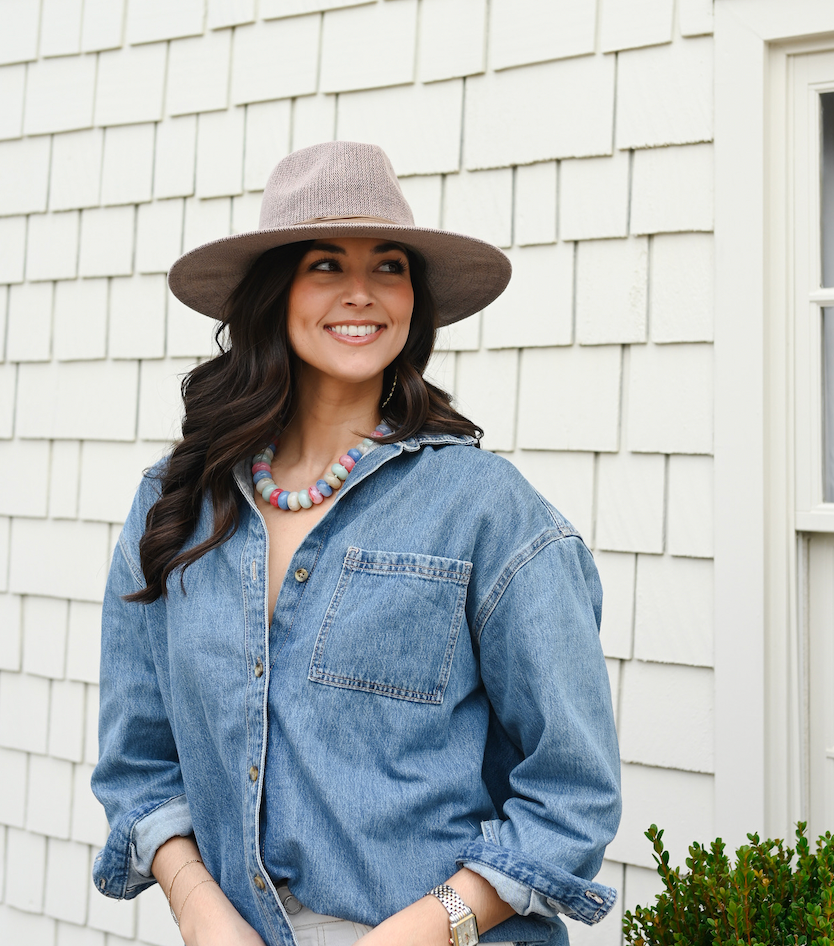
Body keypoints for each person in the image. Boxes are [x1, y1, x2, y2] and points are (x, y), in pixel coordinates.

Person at [91, 141, 621, 946]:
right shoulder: (175, 504)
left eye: (389, 267)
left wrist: (427, 927)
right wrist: (198, 906)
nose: (363, 295)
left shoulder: (487, 511)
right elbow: (138, 763)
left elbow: (570, 790)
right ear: (275, 294)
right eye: (327, 265)